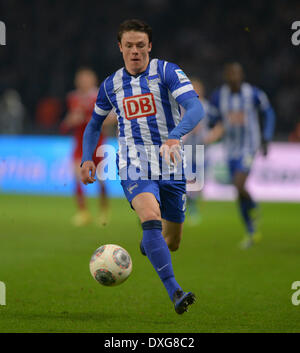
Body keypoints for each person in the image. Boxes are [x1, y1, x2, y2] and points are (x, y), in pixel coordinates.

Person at [81, 19, 205, 314]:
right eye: (129, 46)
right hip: (133, 165)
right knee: (150, 216)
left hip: (172, 165)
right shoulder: (111, 85)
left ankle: (150, 242)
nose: (134, 51)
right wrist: (89, 158)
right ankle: (175, 291)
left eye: (140, 45)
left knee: (172, 241)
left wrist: (175, 136)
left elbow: (196, 108)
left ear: (149, 46)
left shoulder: (166, 72)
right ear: (120, 48)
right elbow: (94, 124)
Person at [205, 62, 276, 249]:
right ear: (226, 76)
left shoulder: (253, 93)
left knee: (239, 183)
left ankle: (253, 205)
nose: (234, 77)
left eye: (237, 74)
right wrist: (213, 129)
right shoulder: (218, 96)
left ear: (242, 75)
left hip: (248, 147)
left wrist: (266, 138)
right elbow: (212, 119)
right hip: (230, 149)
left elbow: (269, 113)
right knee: (238, 190)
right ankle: (251, 231)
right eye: (231, 74)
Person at [60, 67, 112, 227]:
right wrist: (71, 121)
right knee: (77, 176)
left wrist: (93, 119)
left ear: (93, 80)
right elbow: (66, 123)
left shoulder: (100, 96)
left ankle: (103, 212)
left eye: (87, 79)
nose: (84, 82)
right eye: (81, 79)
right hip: (80, 144)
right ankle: (83, 212)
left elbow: (112, 118)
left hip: (97, 144)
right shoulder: (72, 97)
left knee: (101, 180)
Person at [183, 78, 210, 225]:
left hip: (201, 147)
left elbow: (214, 123)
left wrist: (210, 136)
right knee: (187, 178)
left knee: (199, 180)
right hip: (186, 147)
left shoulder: (206, 106)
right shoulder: (183, 106)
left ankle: (193, 205)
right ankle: (190, 207)